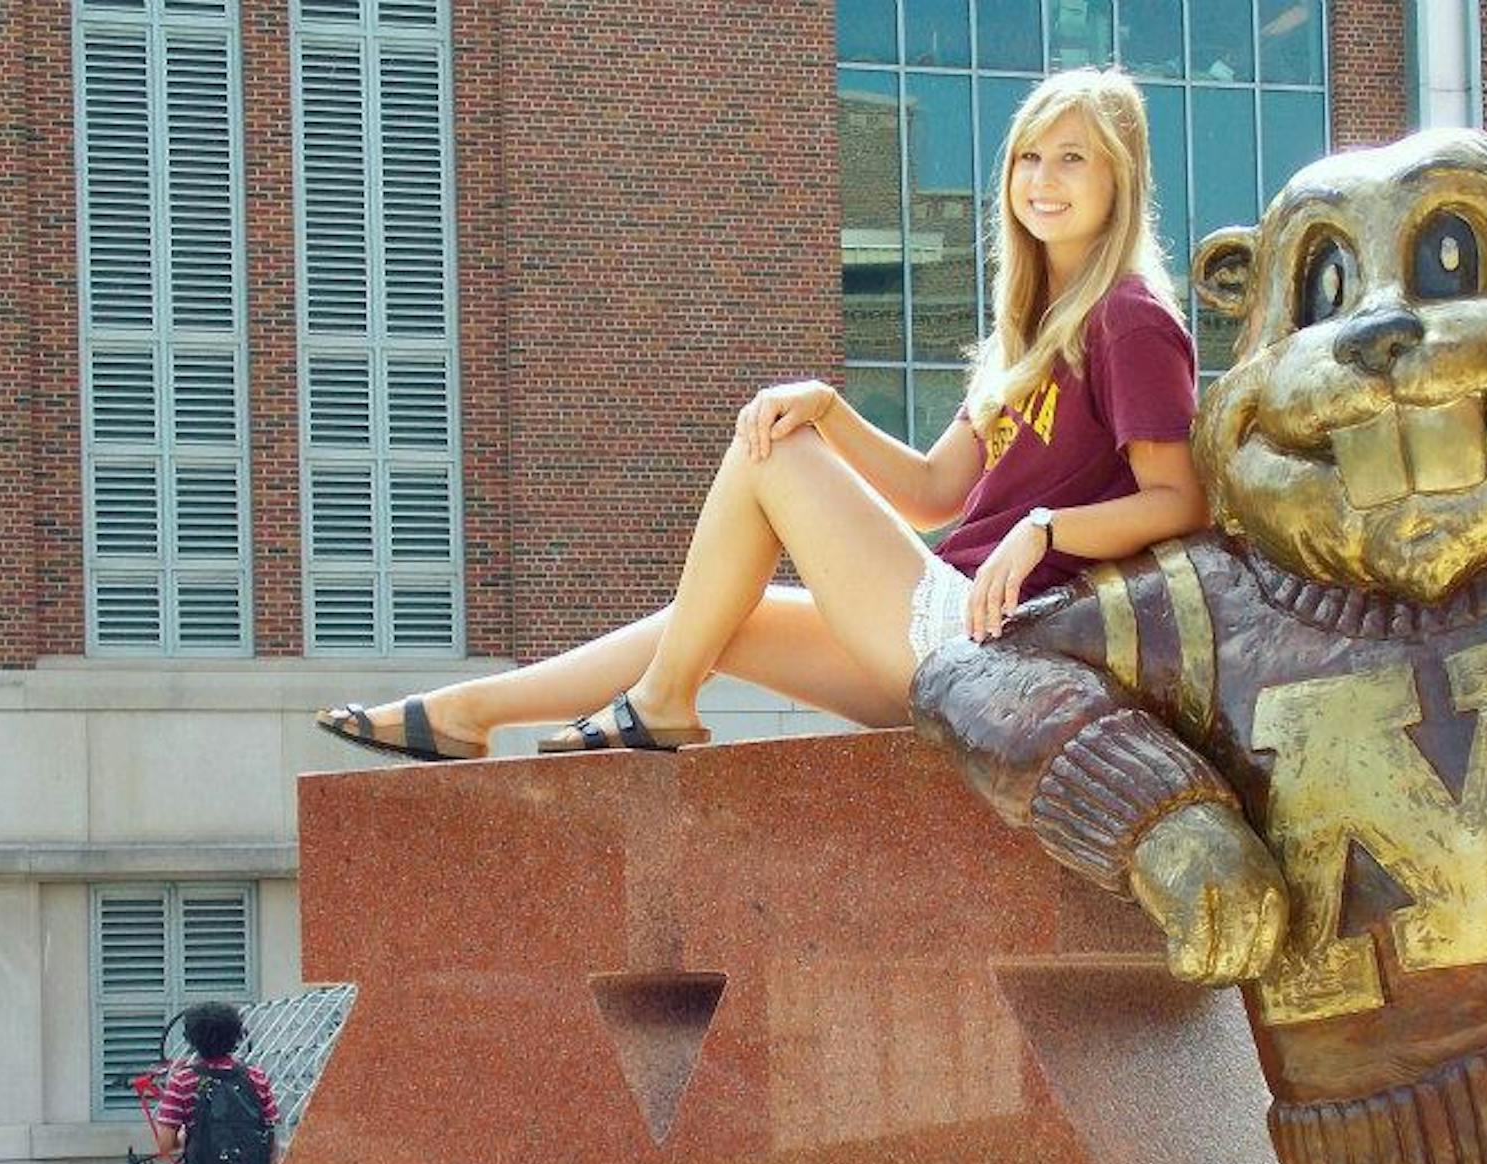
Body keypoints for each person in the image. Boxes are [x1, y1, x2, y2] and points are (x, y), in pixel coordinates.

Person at [316, 66, 1207, 760]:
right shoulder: (1034, 336)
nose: (1043, 180)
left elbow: (1180, 501)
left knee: (767, 454)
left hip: (993, 642)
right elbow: (936, 494)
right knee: (714, 617)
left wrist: (1047, 530)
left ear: (1118, 179)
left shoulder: (1128, 319)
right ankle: (471, 712)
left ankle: (661, 706)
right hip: (947, 642)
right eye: (1029, 157)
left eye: (1072, 158)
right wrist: (831, 411)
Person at [155, 1001, 277, 1164]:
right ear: (236, 1036)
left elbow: (165, 1144)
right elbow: (271, 1137)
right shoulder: (256, 1078)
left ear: (192, 1039)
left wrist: (185, 1138)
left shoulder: (183, 1081)